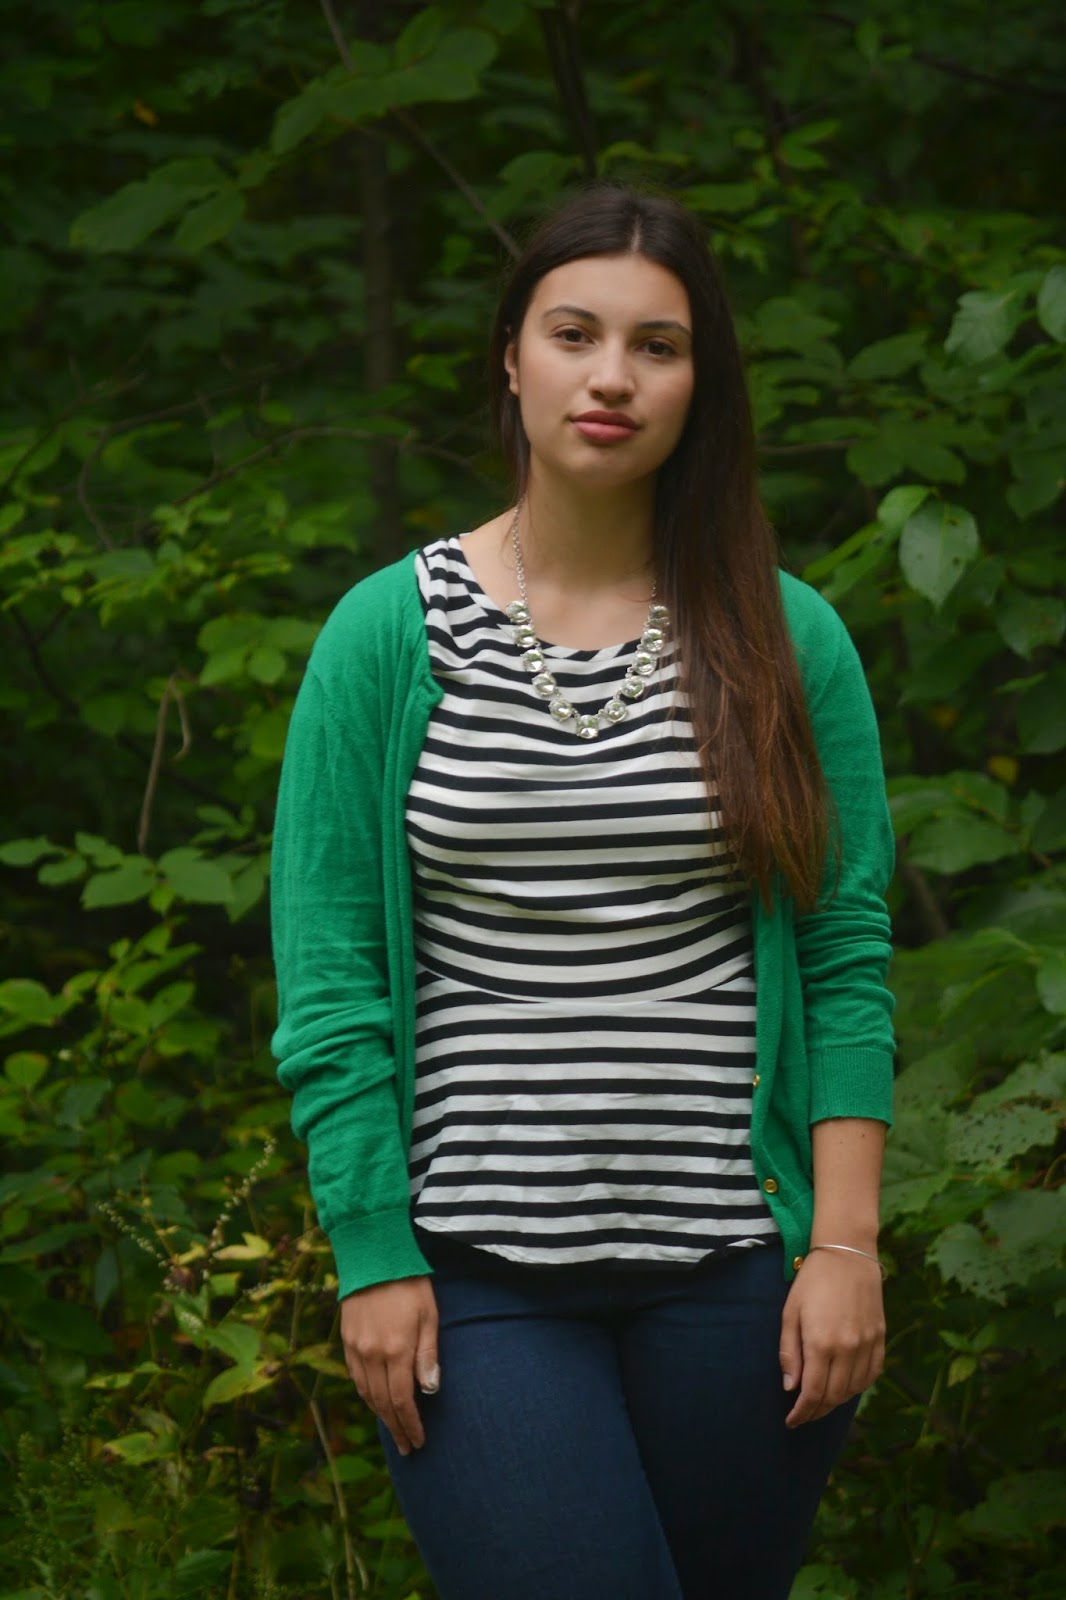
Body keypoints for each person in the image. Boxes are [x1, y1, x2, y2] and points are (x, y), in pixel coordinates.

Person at [270, 182, 896, 1600]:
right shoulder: (386, 634)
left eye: (656, 346)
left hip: (739, 1276)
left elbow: (844, 954)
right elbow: (331, 982)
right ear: (511, 357)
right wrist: (370, 1251)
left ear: (699, 382)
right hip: (473, 1275)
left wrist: (844, 1246)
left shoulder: (786, 637)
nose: (612, 376)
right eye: (574, 334)